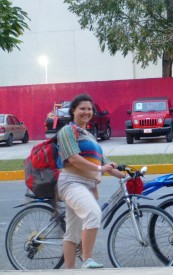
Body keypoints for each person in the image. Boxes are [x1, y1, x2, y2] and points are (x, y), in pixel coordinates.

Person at [56, 93, 125, 269]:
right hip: (71, 182)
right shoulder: (67, 131)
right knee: (94, 214)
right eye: (82, 109)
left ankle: (69, 271)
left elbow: (103, 162)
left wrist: (125, 175)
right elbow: (73, 158)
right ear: (73, 111)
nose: (86, 112)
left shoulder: (89, 134)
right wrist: (99, 169)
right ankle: (87, 259)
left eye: (89, 109)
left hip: (86, 186)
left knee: (72, 233)